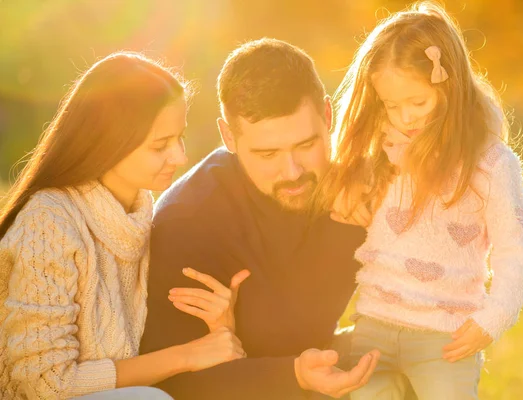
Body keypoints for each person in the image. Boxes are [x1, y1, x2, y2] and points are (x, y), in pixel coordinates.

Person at [315, 3, 523, 399]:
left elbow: (515, 250)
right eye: (391, 105)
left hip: (444, 338)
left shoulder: (490, 164)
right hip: (374, 329)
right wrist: (350, 189)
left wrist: (494, 318)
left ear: (448, 85)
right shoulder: (378, 151)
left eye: (417, 102)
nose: (404, 117)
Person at [140, 38, 380, 400]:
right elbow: (171, 385)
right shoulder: (188, 225)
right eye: (267, 154)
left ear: (329, 117)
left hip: (327, 370)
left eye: (306, 144)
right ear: (228, 136)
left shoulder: (359, 187)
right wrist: (294, 376)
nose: (293, 171)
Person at [0, 52, 244, 399]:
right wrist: (188, 355)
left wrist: (219, 328)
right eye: (160, 145)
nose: (180, 157)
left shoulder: (147, 219)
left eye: (180, 137)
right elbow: (46, 383)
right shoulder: (49, 222)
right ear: (108, 143)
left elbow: (165, 357)